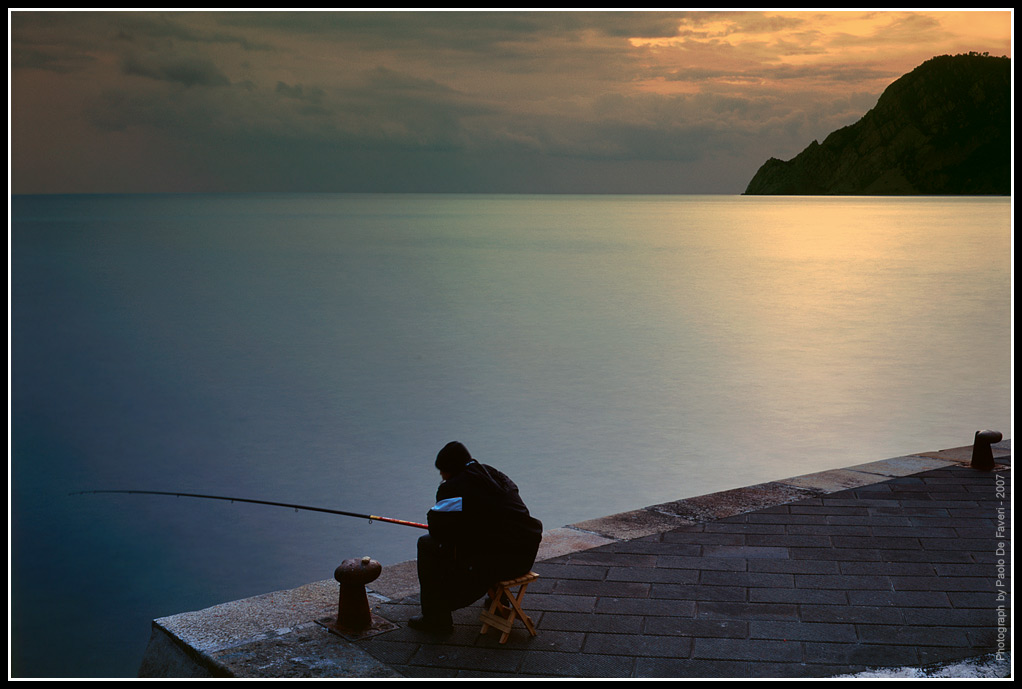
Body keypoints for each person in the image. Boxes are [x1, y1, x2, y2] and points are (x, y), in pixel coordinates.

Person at [409, 441, 543, 633]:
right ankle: (497, 601)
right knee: (492, 536)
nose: (441, 476)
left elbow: (436, 527)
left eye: (442, 471)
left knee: (427, 544)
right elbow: (495, 513)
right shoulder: (494, 474)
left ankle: (436, 618)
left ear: (450, 469)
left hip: (498, 563)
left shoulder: (453, 488)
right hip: (525, 554)